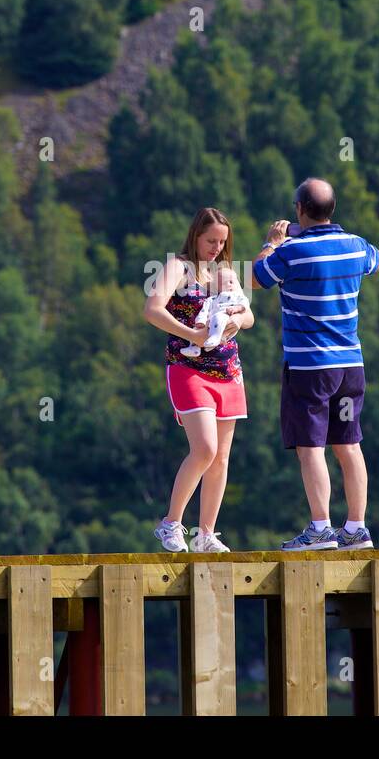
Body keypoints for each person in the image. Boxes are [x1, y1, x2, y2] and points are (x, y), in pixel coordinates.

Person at [249, 178, 379, 551]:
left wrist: (272, 243)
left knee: (311, 447)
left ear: (299, 209)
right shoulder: (356, 246)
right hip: (350, 365)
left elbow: (257, 279)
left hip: (309, 367)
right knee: (349, 444)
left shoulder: (290, 253)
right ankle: (356, 529)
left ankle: (321, 529)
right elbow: (378, 259)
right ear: (332, 209)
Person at [143, 207, 254, 553]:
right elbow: (152, 309)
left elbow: (249, 314)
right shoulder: (179, 267)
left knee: (221, 457)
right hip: (188, 368)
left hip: (227, 371)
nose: (217, 248)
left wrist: (238, 322)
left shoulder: (225, 272)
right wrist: (191, 333)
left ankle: (206, 533)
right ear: (195, 236)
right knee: (204, 448)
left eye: (222, 242)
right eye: (211, 241)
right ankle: (171, 523)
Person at [178, 266, 250, 357]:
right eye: (224, 283)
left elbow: (244, 305)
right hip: (210, 322)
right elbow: (205, 310)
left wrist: (237, 310)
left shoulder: (238, 296)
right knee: (196, 330)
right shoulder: (212, 299)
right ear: (217, 287)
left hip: (226, 318)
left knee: (218, 318)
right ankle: (194, 348)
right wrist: (201, 320)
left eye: (232, 282)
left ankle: (215, 338)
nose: (229, 284)